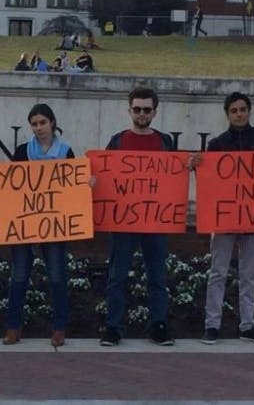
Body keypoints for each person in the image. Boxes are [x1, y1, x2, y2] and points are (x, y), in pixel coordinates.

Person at [191, 92, 254, 345]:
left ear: (249, 111)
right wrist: (197, 165)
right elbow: (209, 183)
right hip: (224, 218)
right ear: (227, 114)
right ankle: (212, 325)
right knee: (218, 271)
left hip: (253, 217)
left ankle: (248, 325)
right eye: (234, 110)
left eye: (243, 109)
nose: (239, 114)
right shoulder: (217, 144)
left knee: (249, 273)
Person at [100, 87, 177, 346]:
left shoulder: (165, 142)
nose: (142, 114)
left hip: (156, 221)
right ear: (129, 110)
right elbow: (105, 175)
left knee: (157, 276)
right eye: (137, 109)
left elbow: (173, 181)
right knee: (117, 276)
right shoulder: (118, 141)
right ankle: (113, 327)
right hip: (124, 221)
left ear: (155, 111)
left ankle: (159, 325)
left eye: (147, 109)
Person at [1, 103, 74, 348]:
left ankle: (59, 328)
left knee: (56, 276)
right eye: (34, 124)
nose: (39, 127)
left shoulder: (66, 151)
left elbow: (73, 187)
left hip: (55, 224)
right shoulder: (22, 152)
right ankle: (13, 328)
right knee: (19, 276)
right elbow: (9, 186)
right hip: (24, 224)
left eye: (43, 122)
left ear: (52, 123)